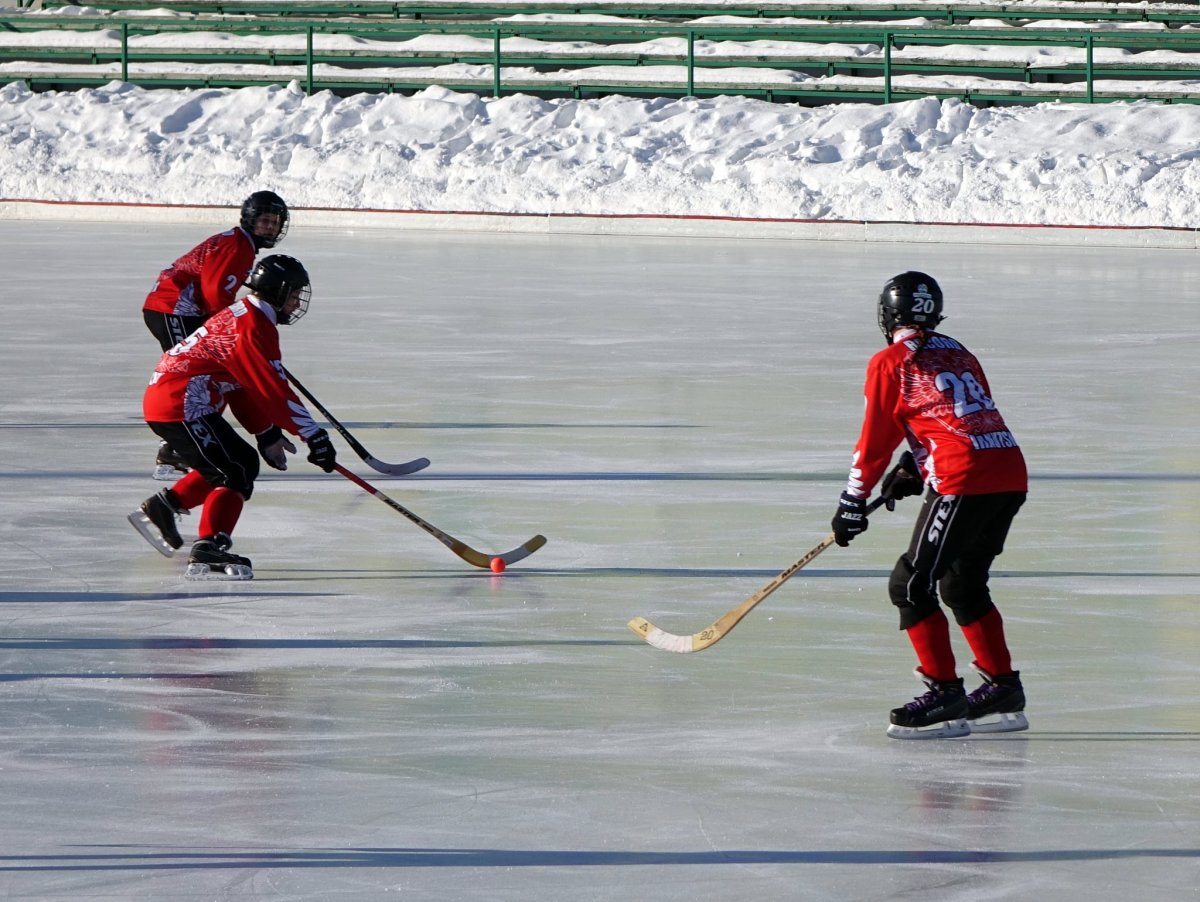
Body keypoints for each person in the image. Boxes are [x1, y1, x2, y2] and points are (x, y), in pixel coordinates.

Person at [831, 271, 1029, 740]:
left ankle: (944, 693)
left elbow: (875, 438)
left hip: (964, 478)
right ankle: (1003, 688)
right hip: (1008, 470)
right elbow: (957, 414)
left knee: (911, 584)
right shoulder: (959, 350)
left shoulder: (890, 361)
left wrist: (853, 499)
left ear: (886, 316)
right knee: (961, 584)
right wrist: (915, 467)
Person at [128, 254, 337, 581]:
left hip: (178, 399)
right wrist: (313, 435)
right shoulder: (252, 326)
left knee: (236, 462)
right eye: (294, 295)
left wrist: (266, 432)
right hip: (179, 402)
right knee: (234, 470)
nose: (297, 304)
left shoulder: (249, 315)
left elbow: (241, 387)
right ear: (279, 292)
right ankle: (209, 545)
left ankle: (165, 507)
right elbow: (274, 390)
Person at [142, 190, 290, 480]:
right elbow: (214, 292)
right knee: (194, 375)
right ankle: (176, 446)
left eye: (275, 222)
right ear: (250, 220)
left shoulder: (241, 244)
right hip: (174, 309)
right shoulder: (239, 246)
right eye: (265, 221)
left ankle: (182, 442)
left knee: (209, 375)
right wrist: (233, 332)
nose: (270, 227)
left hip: (178, 310)